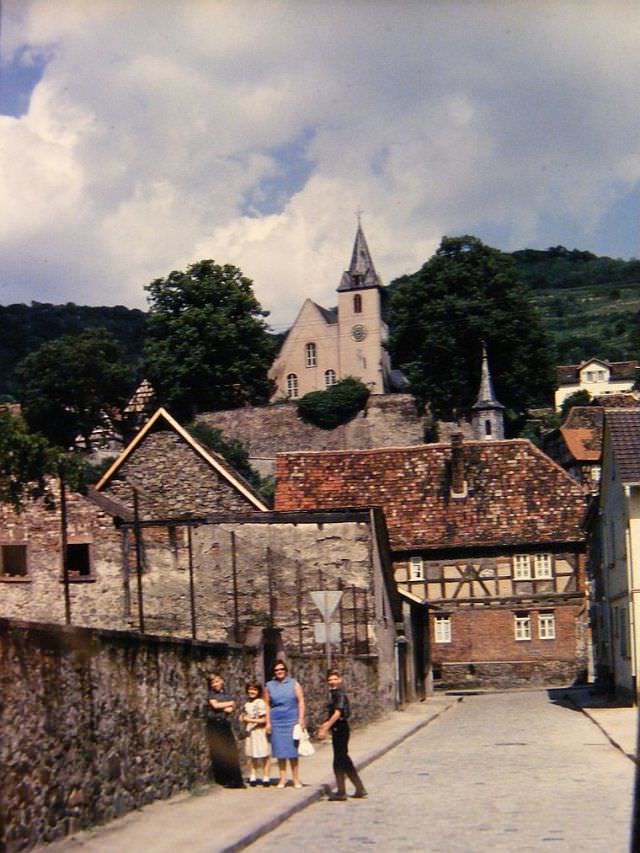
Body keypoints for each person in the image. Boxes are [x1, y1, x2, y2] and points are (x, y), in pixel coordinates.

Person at [316, 669, 367, 801]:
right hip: (337, 728)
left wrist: (326, 727)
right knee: (344, 760)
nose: (332, 682)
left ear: (340, 680)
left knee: (339, 760)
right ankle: (358, 788)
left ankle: (342, 791)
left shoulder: (339, 694)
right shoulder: (333, 694)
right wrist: (326, 724)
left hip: (341, 728)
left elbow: (337, 713)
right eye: (330, 680)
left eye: (334, 679)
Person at [264, 660, 305, 789]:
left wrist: (301, 719)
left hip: (291, 720)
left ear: (285, 670)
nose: (279, 671)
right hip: (277, 721)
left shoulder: (294, 683)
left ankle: (295, 778)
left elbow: (301, 701)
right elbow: (266, 704)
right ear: (273, 672)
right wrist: (268, 722)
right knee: (280, 751)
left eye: (281, 669)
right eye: (276, 670)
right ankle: (282, 779)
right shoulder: (269, 685)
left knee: (293, 751)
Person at [205, 672, 245, 789]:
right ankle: (226, 778)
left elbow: (232, 707)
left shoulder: (226, 694)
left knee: (230, 750)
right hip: (215, 724)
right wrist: (228, 704)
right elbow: (215, 705)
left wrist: (228, 706)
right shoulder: (211, 695)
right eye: (213, 682)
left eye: (218, 681)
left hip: (224, 723)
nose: (216, 684)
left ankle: (236, 780)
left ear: (222, 681)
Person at [241, 681, 271, 787]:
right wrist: (243, 719)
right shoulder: (247, 703)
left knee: (264, 754)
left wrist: (249, 720)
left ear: (258, 691)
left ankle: (266, 776)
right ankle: (253, 775)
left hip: (259, 731)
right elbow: (244, 716)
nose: (251, 692)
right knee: (252, 754)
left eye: (254, 689)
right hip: (250, 731)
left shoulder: (260, 703)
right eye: (250, 689)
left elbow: (263, 720)